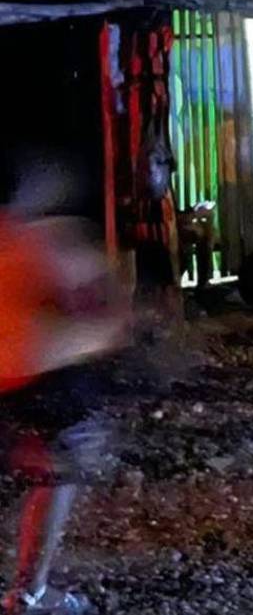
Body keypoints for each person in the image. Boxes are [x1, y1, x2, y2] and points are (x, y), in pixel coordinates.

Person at [1, 167, 129, 615]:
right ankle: (28, 593)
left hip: (17, 385)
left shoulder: (16, 239)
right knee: (57, 475)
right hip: (48, 384)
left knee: (52, 468)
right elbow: (102, 322)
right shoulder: (56, 241)